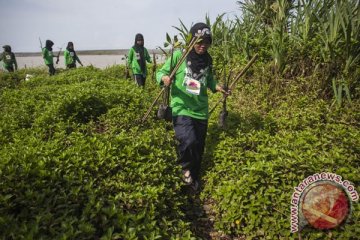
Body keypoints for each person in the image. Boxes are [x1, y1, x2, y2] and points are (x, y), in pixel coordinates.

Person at [156, 22, 229, 191]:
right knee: (189, 140)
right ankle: (184, 170)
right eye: (199, 41)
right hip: (181, 106)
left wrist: (218, 87)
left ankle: (193, 178)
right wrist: (164, 78)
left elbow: (209, 80)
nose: (203, 46)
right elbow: (160, 72)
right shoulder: (178, 57)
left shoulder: (207, 60)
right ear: (191, 41)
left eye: (207, 42)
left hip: (200, 110)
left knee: (198, 147)